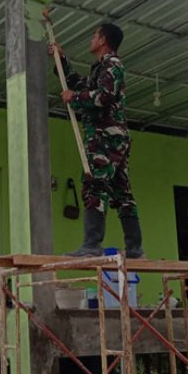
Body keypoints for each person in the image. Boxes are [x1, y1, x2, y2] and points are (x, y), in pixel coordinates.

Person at [51, 23, 143, 258]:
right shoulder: (101, 68)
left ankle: (92, 245)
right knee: (122, 192)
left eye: (94, 35)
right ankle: (134, 248)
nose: (91, 39)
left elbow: (103, 96)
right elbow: (81, 84)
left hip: (106, 135)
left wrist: (75, 98)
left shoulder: (112, 65)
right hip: (114, 137)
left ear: (103, 40)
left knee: (94, 184)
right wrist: (61, 61)